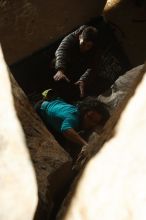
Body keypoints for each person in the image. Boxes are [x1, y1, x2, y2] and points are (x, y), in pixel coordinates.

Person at [35, 90, 110, 147]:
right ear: (84, 112)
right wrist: (85, 144)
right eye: (89, 117)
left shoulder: (78, 113)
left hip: (53, 104)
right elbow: (65, 130)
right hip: (41, 109)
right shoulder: (73, 117)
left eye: (95, 121)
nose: (90, 122)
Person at [51, 25, 100, 102]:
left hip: (78, 70)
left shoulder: (95, 50)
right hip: (65, 65)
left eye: (88, 46)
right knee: (55, 63)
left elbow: (94, 67)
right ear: (80, 37)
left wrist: (83, 80)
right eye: (83, 44)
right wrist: (60, 70)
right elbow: (61, 50)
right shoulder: (72, 37)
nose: (85, 48)